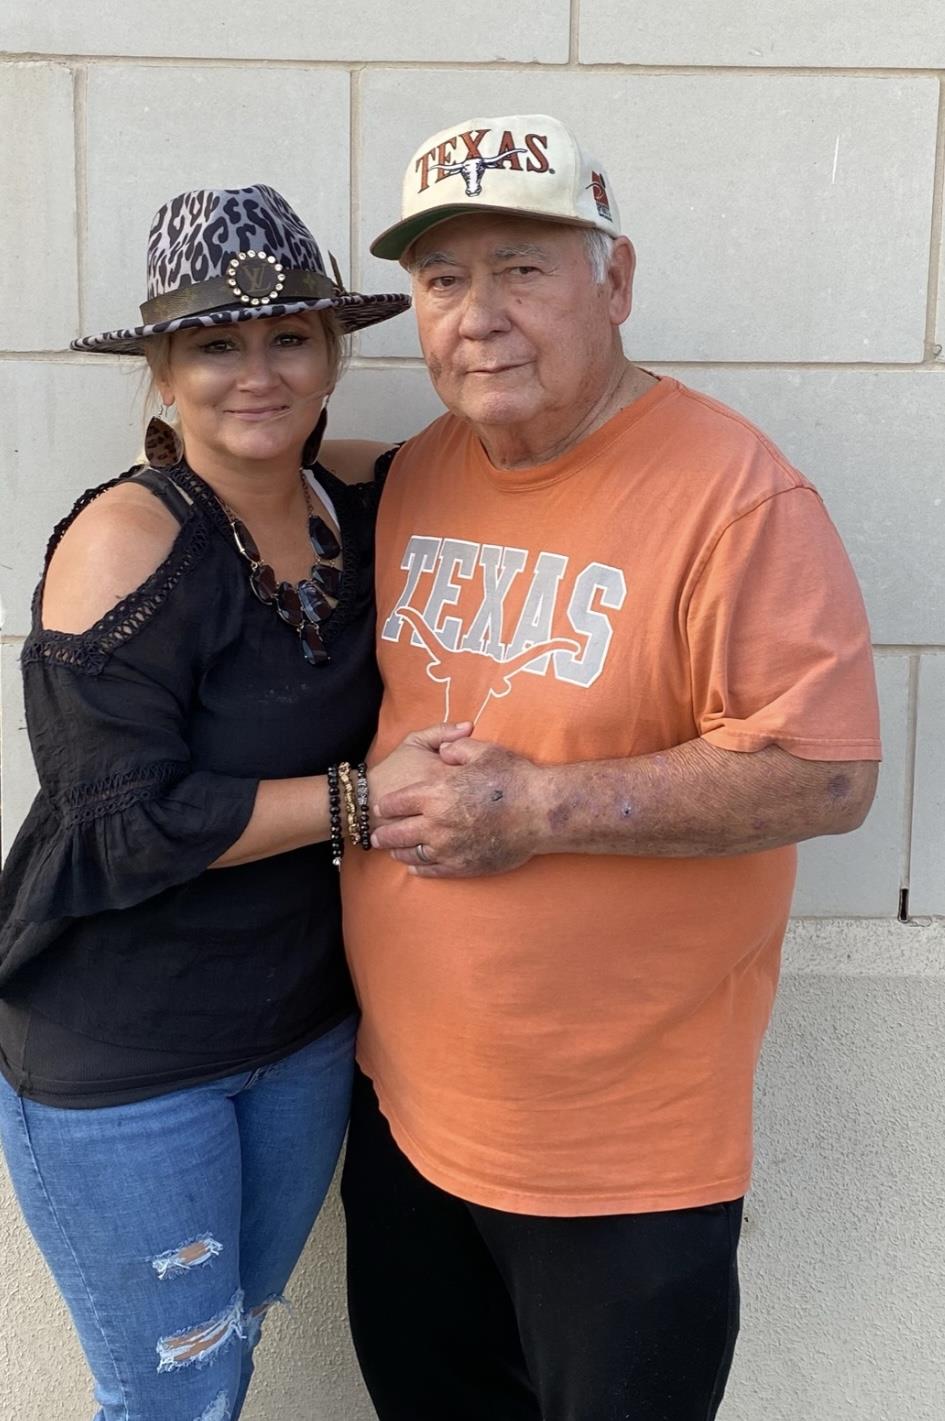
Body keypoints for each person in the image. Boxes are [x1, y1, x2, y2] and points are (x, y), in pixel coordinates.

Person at [340, 115, 882, 1421]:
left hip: (618, 1164)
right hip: (406, 1114)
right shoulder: (423, 470)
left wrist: (533, 807)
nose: (478, 316)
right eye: (443, 279)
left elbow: (823, 772)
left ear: (615, 281)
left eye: (522, 268)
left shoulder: (732, 497)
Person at [0, 183, 465, 1421]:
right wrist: (362, 803)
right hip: (128, 1058)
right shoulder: (129, 540)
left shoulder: (353, 503)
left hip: (301, 1036)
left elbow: (503, 462)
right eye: (214, 345)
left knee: (228, 1356)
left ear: (330, 357)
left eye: (288, 339)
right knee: (173, 1397)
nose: (255, 373)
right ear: (163, 373)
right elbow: (120, 821)